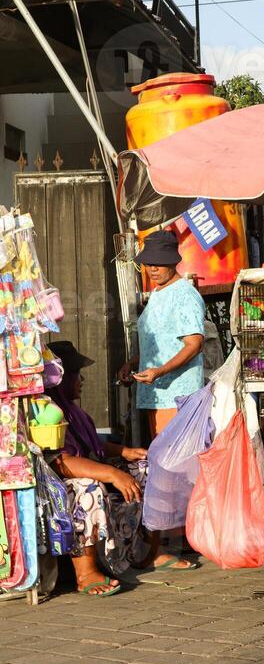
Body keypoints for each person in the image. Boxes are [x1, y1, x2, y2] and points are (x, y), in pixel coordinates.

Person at [118, 229, 205, 570]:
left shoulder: (184, 294)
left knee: (169, 471)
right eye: (148, 263)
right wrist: (135, 364)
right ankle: (163, 543)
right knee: (161, 468)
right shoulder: (157, 293)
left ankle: (164, 546)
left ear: (173, 262)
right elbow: (157, 342)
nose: (153, 268)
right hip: (154, 392)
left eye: (159, 263)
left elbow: (193, 343)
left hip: (176, 393)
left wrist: (160, 372)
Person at [47, 341, 146, 597]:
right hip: (56, 492)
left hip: (90, 470)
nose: (81, 380)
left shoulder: (77, 413)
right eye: (76, 374)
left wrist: (123, 453)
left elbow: (90, 443)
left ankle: (138, 553)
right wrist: (113, 473)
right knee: (87, 486)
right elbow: (62, 461)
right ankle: (85, 571)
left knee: (143, 469)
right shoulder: (47, 413)